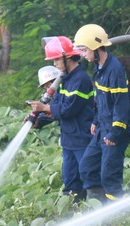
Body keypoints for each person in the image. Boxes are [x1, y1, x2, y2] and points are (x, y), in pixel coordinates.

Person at [74, 24, 130, 203]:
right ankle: (98, 206)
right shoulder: (98, 67)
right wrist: (95, 120)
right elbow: (101, 100)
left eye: (84, 50)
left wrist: (114, 133)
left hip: (115, 130)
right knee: (87, 167)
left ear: (95, 47)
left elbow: (121, 106)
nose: (83, 54)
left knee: (110, 175)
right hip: (102, 127)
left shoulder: (114, 70)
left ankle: (114, 216)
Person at [29, 37, 94, 202]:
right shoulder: (66, 79)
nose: (55, 63)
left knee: (89, 178)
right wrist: (39, 119)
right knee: (70, 179)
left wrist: (44, 108)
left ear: (69, 57)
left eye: (56, 59)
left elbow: (68, 109)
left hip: (82, 138)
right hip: (69, 140)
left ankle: (98, 216)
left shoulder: (80, 79)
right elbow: (57, 104)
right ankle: (72, 211)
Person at [26, 65, 62, 130]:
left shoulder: (70, 95)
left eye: (49, 86)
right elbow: (45, 117)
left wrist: (45, 108)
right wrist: (35, 121)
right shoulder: (53, 100)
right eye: (45, 88)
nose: (48, 91)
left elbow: (66, 111)